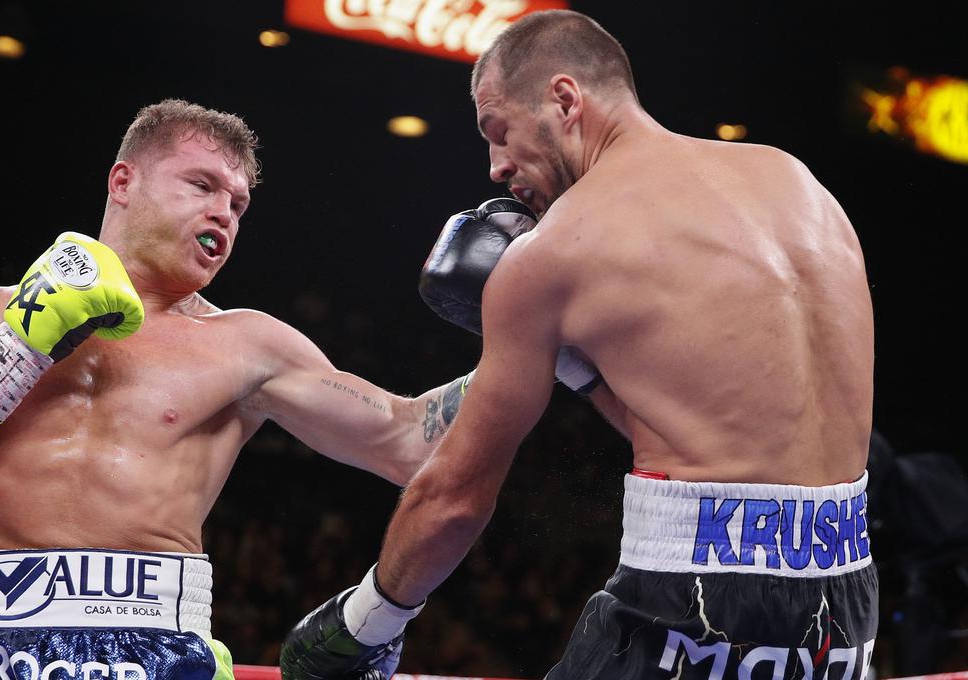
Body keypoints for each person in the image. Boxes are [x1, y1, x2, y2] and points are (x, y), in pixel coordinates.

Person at [281, 9, 877, 680]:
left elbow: (453, 496)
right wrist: (576, 364)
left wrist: (368, 622)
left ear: (565, 100)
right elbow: (715, 433)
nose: (496, 166)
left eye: (497, 131)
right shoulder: (797, 183)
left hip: (691, 601)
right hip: (844, 606)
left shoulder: (554, 253)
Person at [0, 99, 477, 680]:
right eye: (203, 186)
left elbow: (407, 440)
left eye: (239, 205)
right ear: (123, 182)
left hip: (157, 648)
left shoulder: (246, 345)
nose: (224, 214)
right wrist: (24, 340)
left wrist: (535, 329)